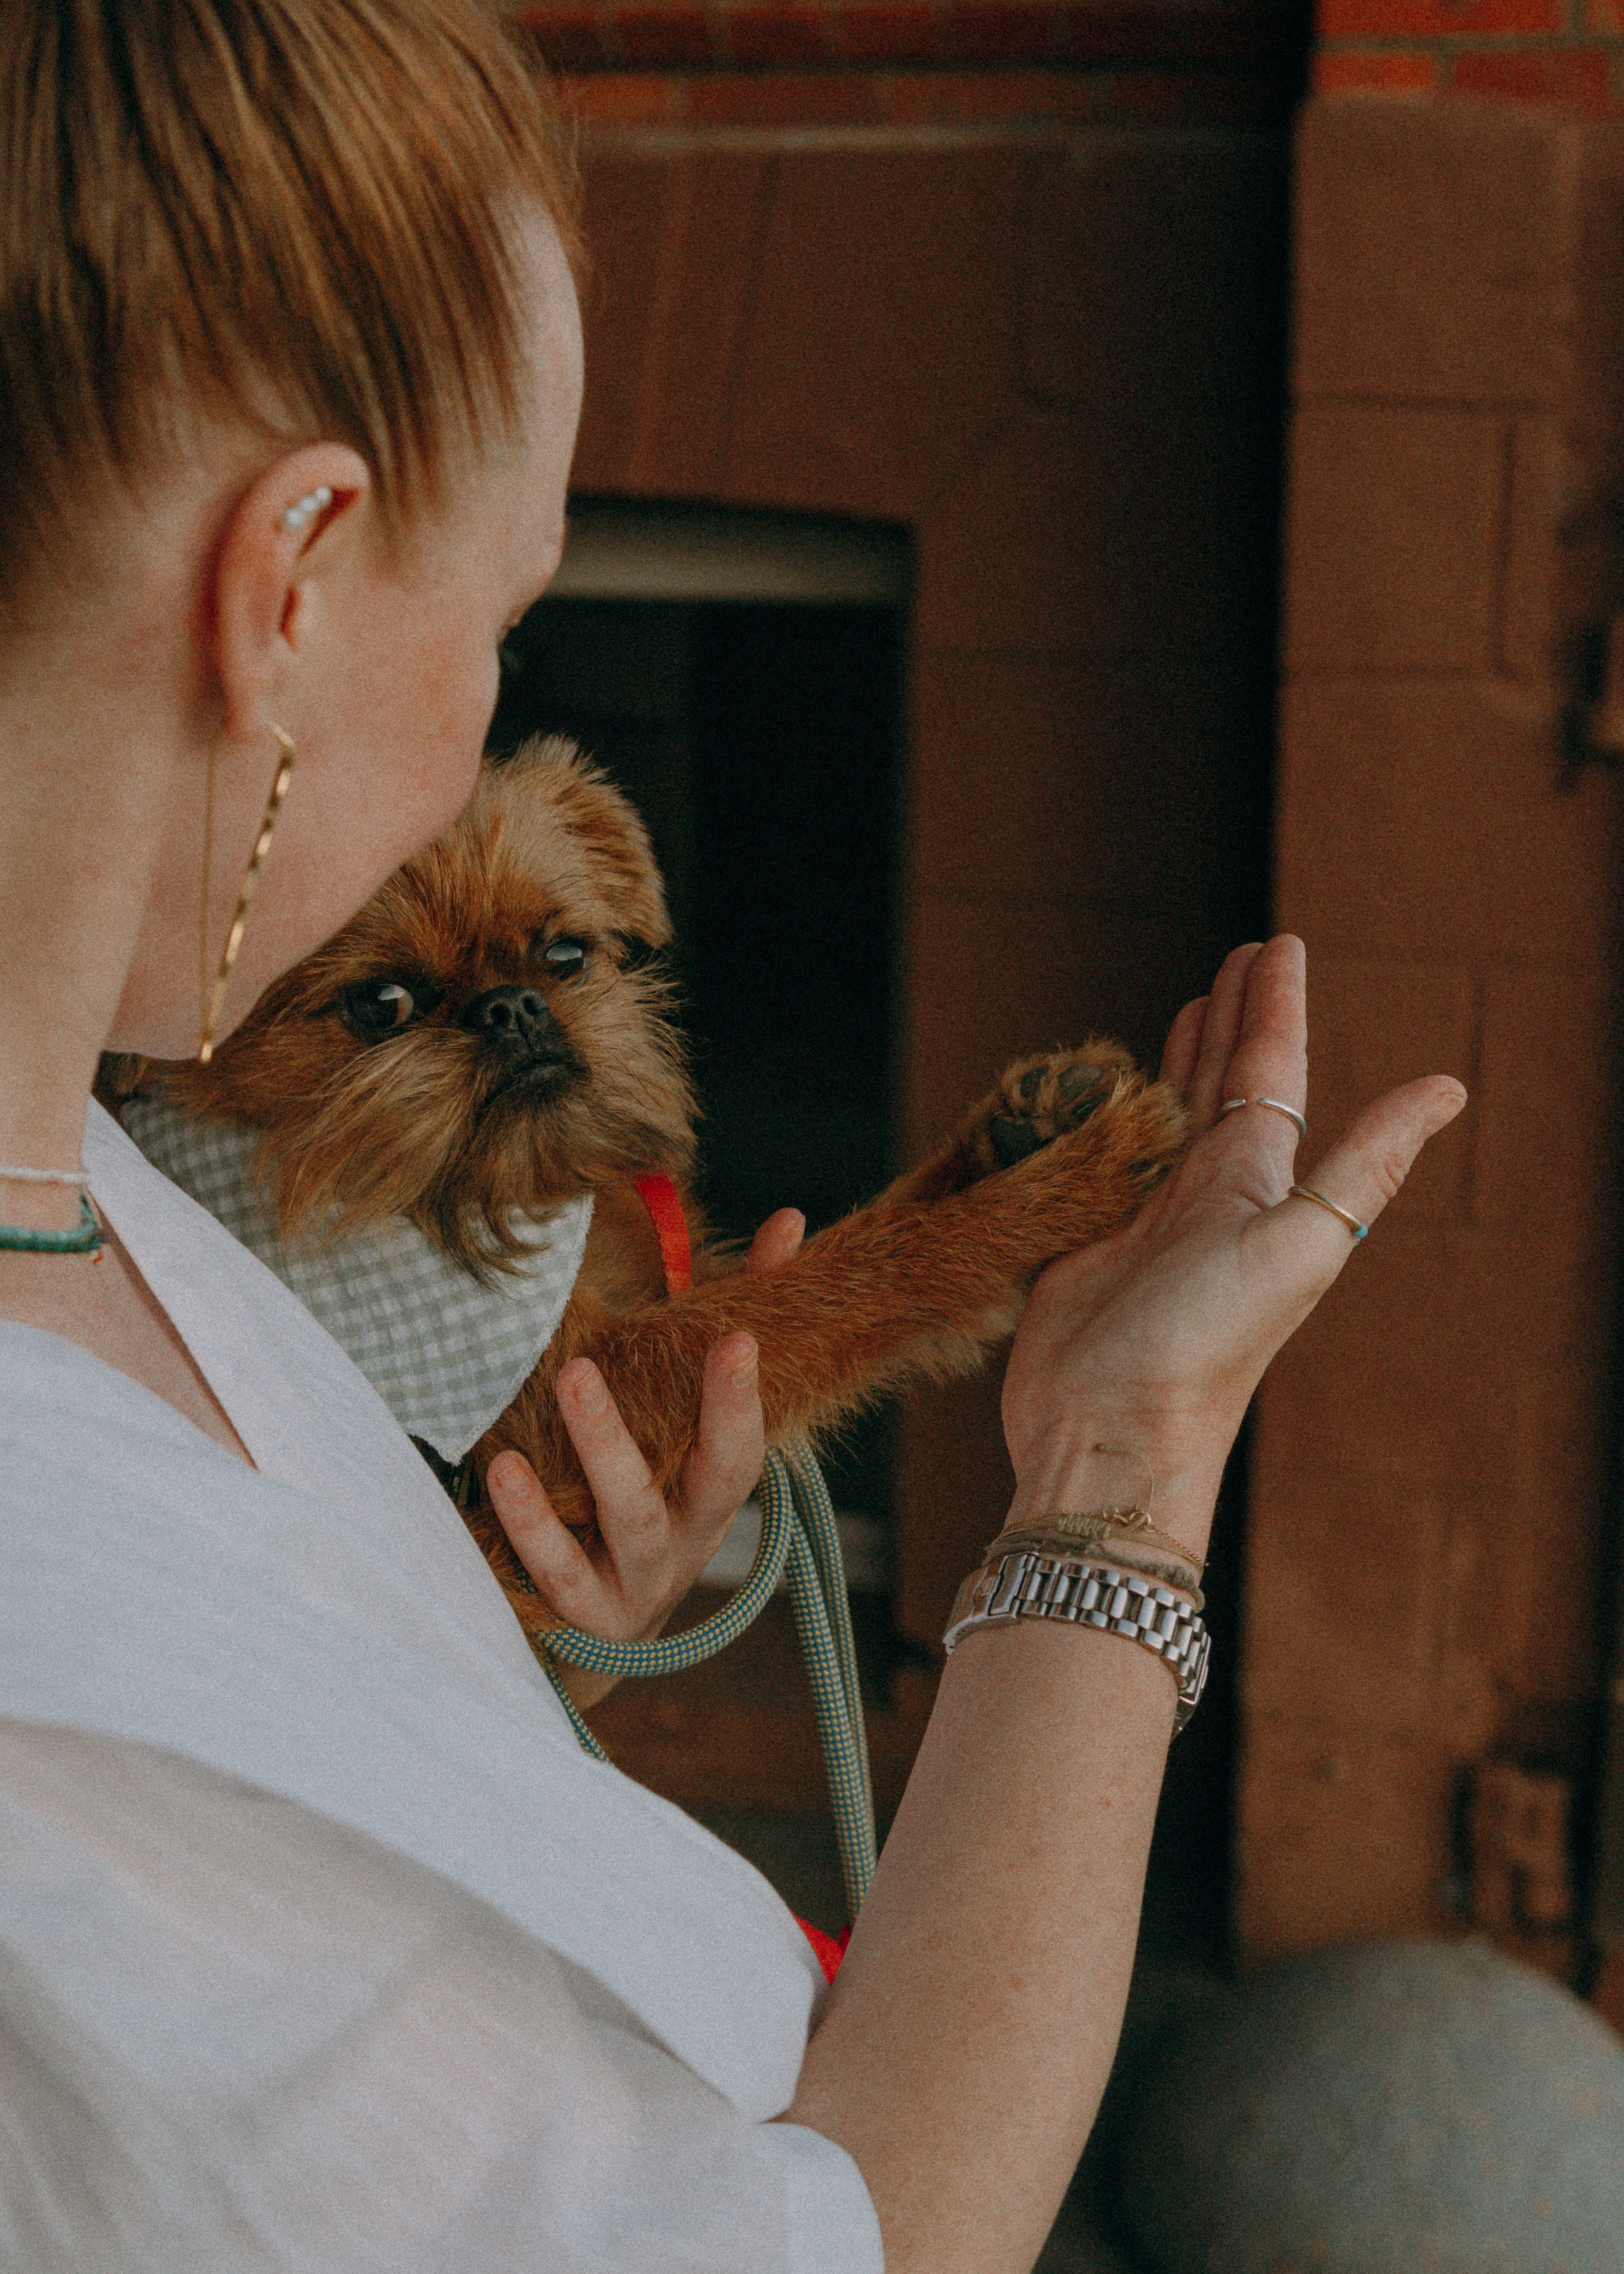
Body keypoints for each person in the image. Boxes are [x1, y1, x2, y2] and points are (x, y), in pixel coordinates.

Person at [0, 4, 1467, 2268]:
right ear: (288, 582)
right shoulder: (77, 1732)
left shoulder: (91, 1205)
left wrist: (522, 1662)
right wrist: (1127, 1471)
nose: (489, 709)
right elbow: (863, 2239)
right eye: (506, 616)